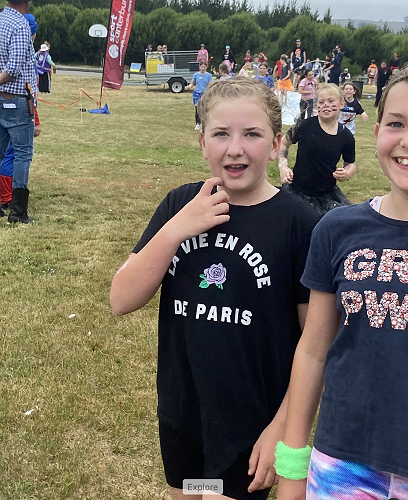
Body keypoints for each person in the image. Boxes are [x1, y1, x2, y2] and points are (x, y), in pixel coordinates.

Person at [110, 76, 319, 500]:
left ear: (276, 144)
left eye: (252, 134)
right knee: (192, 493)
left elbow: (313, 345)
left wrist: (282, 427)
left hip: (251, 426)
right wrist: (177, 229)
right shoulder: (180, 204)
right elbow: (121, 298)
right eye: (221, 134)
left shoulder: (299, 225)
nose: (235, 148)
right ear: (203, 142)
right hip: (183, 415)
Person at [276, 67, 408, 500]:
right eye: (397, 124)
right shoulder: (336, 230)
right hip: (344, 466)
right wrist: (292, 466)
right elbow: (313, 351)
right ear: (378, 132)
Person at [278, 83, 356, 218]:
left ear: (341, 104)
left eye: (331, 101)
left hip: (326, 194)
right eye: (321, 102)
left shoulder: (346, 136)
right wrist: (283, 166)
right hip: (297, 190)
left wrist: (347, 172)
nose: (326, 105)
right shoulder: (304, 126)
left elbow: (350, 163)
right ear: (317, 105)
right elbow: (284, 143)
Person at [0, 0, 37, 223]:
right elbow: (13, 68)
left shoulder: (1, 19)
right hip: (17, 99)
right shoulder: (21, 25)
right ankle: (18, 211)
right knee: (22, 154)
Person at [186, 62, 212, 130]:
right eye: (202, 67)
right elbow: (192, 83)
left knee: (205, 108)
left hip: (205, 94)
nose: (203, 68)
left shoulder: (209, 75)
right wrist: (189, 86)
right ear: (199, 67)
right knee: (197, 108)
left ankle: (205, 122)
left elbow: (210, 84)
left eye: (204, 67)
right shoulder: (196, 75)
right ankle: (198, 123)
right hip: (197, 94)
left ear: (206, 67)